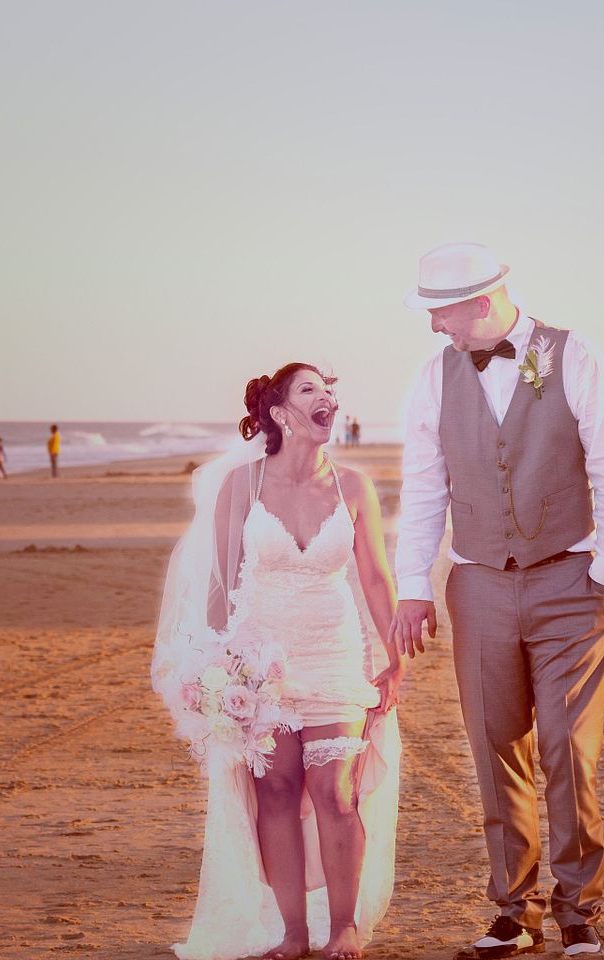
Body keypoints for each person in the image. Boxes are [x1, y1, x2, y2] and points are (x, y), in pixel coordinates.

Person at [391, 242, 604, 958]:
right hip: (478, 584)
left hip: (572, 579)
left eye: (440, 314)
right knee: (495, 745)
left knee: (566, 746)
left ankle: (578, 908)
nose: (435, 328)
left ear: (480, 302)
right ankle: (512, 910)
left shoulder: (576, 356)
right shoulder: (433, 380)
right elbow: (424, 492)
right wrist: (415, 589)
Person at [151, 362, 405, 960]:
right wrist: (216, 669)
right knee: (278, 793)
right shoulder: (241, 485)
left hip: (336, 654)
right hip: (260, 662)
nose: (328, 398)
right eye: (310, 389)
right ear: (280, 413)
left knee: (336, 792)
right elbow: (218, 585)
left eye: (330, 390)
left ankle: (344, 926)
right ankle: (293, 933)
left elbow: (374, 574)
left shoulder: (354, 487)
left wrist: (396, 658)